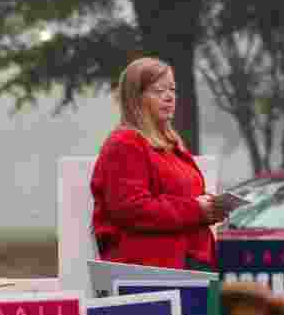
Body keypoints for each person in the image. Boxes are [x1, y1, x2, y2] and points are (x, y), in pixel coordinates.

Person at [90, 57, 227, 270]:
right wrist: (196, 209)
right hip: (154, 269)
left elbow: (185, 199)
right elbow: (133, 209)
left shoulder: (171, 144)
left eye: (172, 89)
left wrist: (211, 207)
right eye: (158, 91)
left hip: (193, 262)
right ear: (135, 98)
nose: (169, 97)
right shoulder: (125, 143)